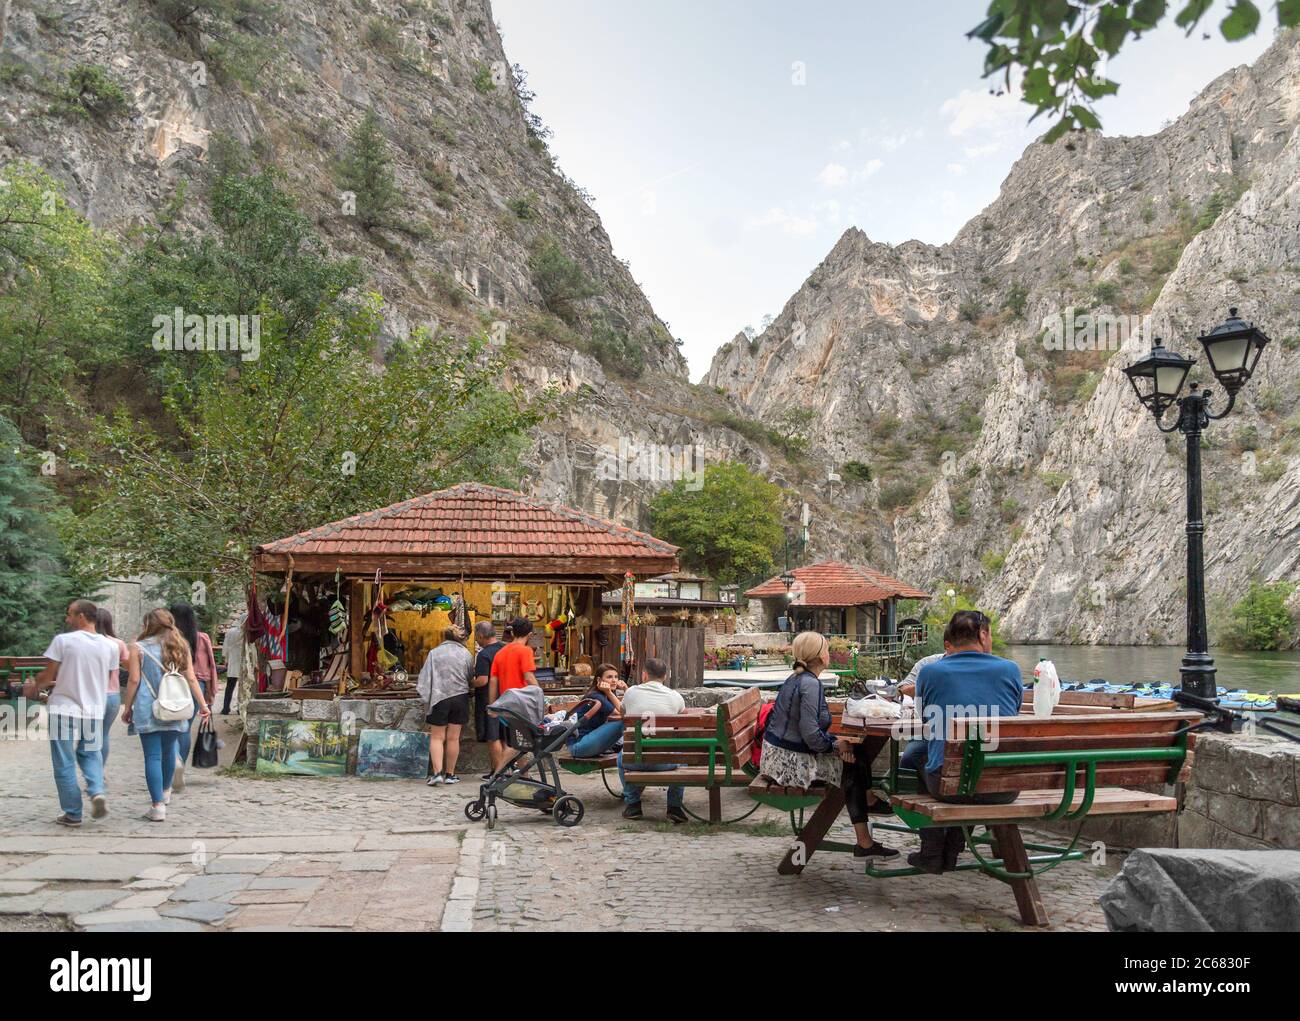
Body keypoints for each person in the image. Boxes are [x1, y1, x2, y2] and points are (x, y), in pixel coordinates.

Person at [759, 631, 897, 858]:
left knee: (857, 753)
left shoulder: (797, 679)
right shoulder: (810, 685)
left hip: (777, 755)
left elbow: (808, 733)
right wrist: (836, 746)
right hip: (787, 764)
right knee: (851, 765)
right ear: (820, 656)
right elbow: (811, 735)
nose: (828, 653)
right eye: (825, 649)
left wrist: (838, 744)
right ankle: (864, 840)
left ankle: (869, 807)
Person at [907, 610, 1024, 874]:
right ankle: (953, 849)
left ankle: (933, 852)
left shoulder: (930, 672)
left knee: (921, 759)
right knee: (971, 764)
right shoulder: (1010, 669)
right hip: (1004, 787)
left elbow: (925, 719)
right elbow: (1013, 711)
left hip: (949, 787)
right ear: (982, 635)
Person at [25, 600, 119, 826]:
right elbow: (104, 679)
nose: (67, 619)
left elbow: (47, 677)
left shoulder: (63, 641)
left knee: (64, 760)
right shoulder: (111, 646)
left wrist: (33, 687)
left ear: (82, 617)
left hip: (63, 708)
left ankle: (73, 813)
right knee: (91, 754)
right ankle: (97, 790)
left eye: (70, 614)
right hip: (95, 708)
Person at [121, 609, 211, 822]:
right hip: (175, 707)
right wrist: (203, 704)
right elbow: (191, 678)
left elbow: (133, 680)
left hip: (148, 706)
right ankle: (166, 791)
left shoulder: (138, 648)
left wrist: (127, 708)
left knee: (152, 756)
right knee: (170, 750)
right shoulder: (181, 646)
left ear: (148, 625)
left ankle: (157, 806)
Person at [618, 658, 688, 824]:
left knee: (621, 757)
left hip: (634, 761)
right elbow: (683, 718)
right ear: (665, 676)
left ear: (644, 675)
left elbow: (622, 713)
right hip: (665, 762)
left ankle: (633, 805)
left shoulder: (631, 692)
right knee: (684, 760)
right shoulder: (675, 696)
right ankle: (674, 807)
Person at [169, 603, 216, 791]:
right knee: (185, 728)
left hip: (174, 684)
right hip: (198, 686)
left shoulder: (169, 638)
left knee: (171, 726)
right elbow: (212, 666)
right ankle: (181, 764)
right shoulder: (202, 638)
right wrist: (209, 694)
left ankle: (174, 762)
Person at [419, 627, 474, 786]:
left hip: (439, 697)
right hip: (460, 697)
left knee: (437, 737)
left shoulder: (434, 653)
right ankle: (450, 774)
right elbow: (470, 675)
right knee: (453, 738)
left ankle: (437, 774)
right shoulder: (465, 653)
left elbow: (425, 676)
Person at [486, 617, 538, 774]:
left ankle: (525, 776)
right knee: (518, 744)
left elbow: (493, 680)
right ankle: (498, 773)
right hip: (522, 703)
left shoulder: (500, 653)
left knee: (519, 741)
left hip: (506, 704)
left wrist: (492, 705)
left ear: (513, 632)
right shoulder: (525, 651)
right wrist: (540, 694)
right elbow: (528, 677)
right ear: (530, 634)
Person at [897, 651, 944, 775]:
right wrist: (927, 683)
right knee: (909, 756)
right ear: (948, 645)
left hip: (961, 734)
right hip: (927, 731)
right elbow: (901, 691)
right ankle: (907, 788)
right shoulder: (927, 664)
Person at [94, 607, 130, 769]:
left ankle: (92, 772)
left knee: (90, 735)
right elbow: (130, 667)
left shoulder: (85, 642)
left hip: (91, 695)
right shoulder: (118, 644)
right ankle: (99, 771)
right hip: (112, 696)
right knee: (104, 734)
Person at [566, 662, 625, 759]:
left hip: (590, 742)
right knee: (624, 722)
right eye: (609, 677)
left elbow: (627, 710)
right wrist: (609, 692)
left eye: (616, 677)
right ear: (599, 680)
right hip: (579, 745)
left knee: (628, 723)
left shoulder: (605, 696)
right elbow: (623, 713)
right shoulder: (595, 697)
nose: (614, 680)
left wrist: (625, 688)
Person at [471, 620, 506, 776]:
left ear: (480, 635)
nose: (477, 640)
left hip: (488, 700)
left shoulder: (484, 654)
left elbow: (482, 680)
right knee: (504, 736)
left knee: (493, 737)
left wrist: (468, 681)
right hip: (506, 697)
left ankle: (499, 772)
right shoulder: (505, 648)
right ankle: (497, 770)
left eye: (476, 637)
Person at [220, 612, 246, 715]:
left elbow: (225, 649)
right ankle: (241, 708)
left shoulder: (230, 632)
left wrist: (226, 660)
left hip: (232, 662)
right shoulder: (247, 633)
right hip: (244, 663)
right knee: (243, 687)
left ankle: (225, 708)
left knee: (230, 686)